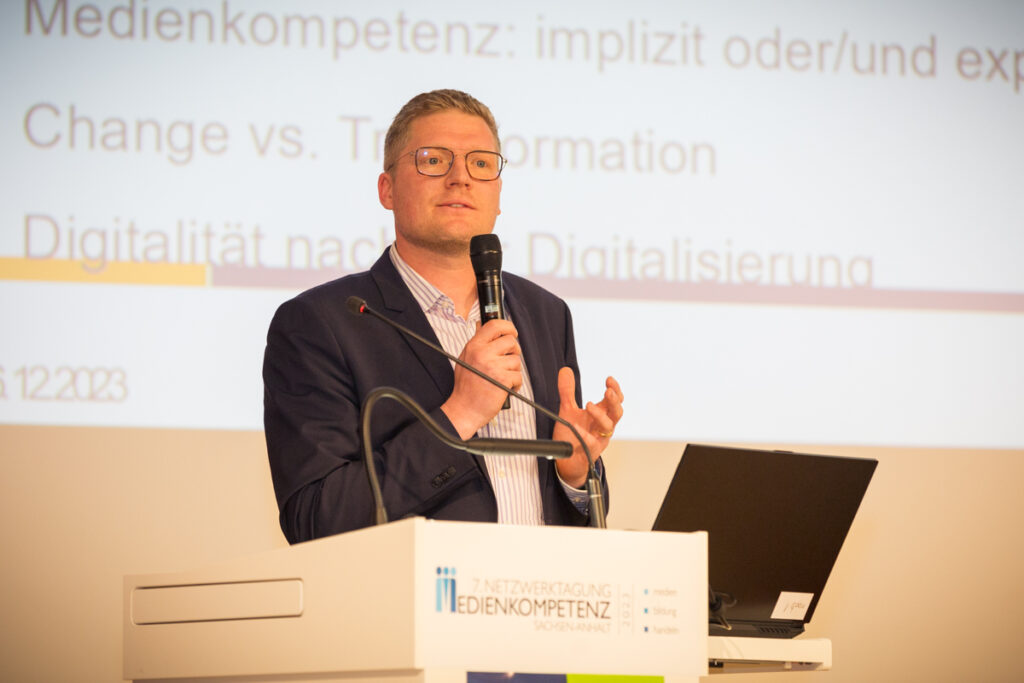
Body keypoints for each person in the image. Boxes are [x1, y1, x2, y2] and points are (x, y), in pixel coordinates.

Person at [263, 89, 624, 543]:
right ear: (387, 189)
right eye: (433, 161)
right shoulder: (321, 324)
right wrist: (458, 415)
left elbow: (573, 520)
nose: (460, 178)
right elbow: (315, 520)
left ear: (498, 193)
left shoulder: (547, 314)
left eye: (481, 163)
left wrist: (575, 476)